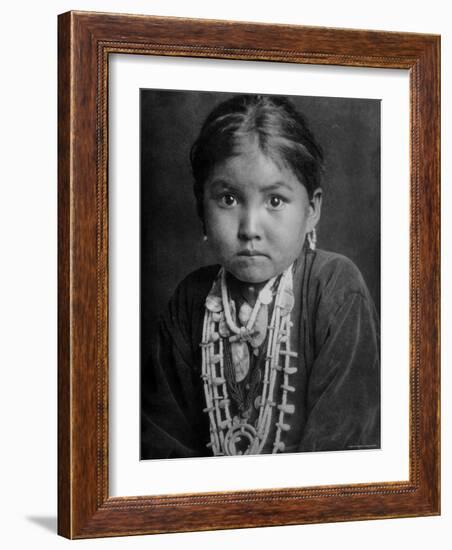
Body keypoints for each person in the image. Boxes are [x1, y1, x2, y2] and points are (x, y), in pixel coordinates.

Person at [141, 94, 380, 459]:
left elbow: (341, 451)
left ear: (312, 209)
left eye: (275, 201)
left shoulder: (334, 289)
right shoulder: (191, 300)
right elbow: (161, 445)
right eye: (229, 199)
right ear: (200, 207)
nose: (249, 229)